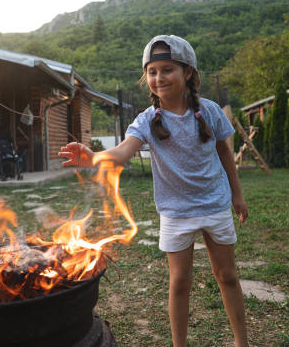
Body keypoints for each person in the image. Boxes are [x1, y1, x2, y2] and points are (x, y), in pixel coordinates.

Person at [59, 35, 249, 347]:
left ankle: (243, 342)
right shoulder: (147, 120)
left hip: (215, 205)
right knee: (180, 282)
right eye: (152, 71)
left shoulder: (211, 111)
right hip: (175, 213)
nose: (158, 78)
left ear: (187, 73)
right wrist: (93, 157)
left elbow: (226, 154)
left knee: (227, 276)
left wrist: (237, 195)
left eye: (167, 70)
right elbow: (121, 153)